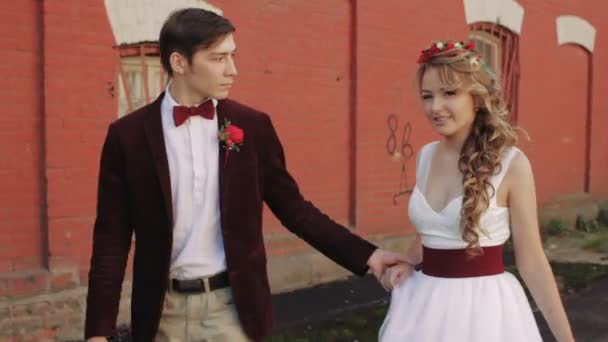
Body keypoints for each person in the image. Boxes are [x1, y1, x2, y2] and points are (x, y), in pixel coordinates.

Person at [85, 8, 403, 342]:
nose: (232, 70)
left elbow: (296, 210)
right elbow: (111, 240)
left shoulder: (251, 127)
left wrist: (369, 256)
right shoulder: (128, 137)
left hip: (234, 310)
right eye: (219, 58)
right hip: (162, 314)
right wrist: (97, 333)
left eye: (232, 56)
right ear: (180, 63)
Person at [378, 40, 575, 341]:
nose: (435, 108)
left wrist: (566, 339)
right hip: (424, 307)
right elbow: (430, 235)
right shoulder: (424, 157)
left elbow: (532, 261)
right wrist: (405, 262)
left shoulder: (512, 165)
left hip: (485, 312)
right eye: (427, 96)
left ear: (477, 97)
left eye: (450, 93)